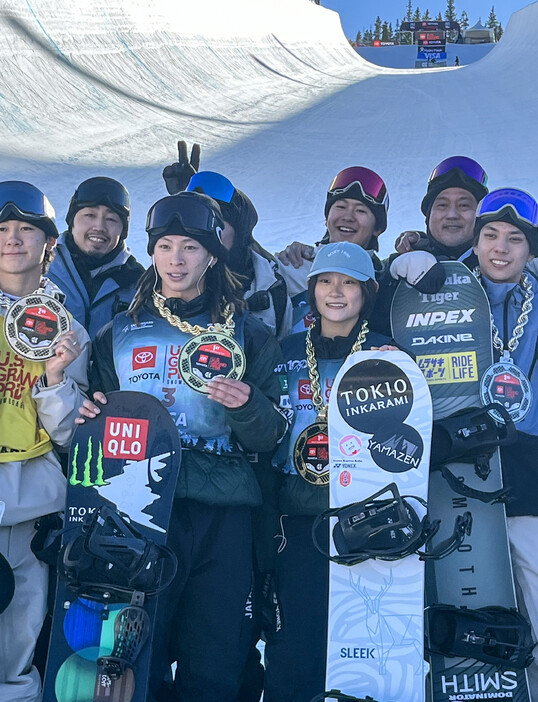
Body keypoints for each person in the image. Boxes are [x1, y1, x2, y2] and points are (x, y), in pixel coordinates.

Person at [78, 190, 290, 702]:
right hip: (142, 508)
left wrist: (247, 405)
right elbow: (97, 426)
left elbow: (273, 435)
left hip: (224, 511)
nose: (176, 259)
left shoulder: (249, 331)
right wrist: (91, 413)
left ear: (212, 255)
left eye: (190, 248)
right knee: (137, 651)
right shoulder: (117, 333)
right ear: (151, 253)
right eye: (165, 245)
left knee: (215, 656)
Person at [263, 242, 396, 702]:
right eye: (324, 281)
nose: (335, 292)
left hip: (366, 522)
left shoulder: (387, 353)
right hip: (298, 516)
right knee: (295, 641)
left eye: (348, 282)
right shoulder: (282, 351)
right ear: (313, 289)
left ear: (367, 292)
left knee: (364, 643)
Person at [0, 181, 90, 702]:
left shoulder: (64, 328)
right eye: (4, 229)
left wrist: (56, 377)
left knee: (16, 650)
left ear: (48, 244)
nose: (14, 239)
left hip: (29, 506)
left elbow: (68, 433)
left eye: (26, 229)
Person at [472, 187, 538, 697]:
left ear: (530, 250)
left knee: (532, 583)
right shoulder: (445, 294)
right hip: (458, 455)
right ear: (474, 243)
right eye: (490, 235)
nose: (501, 247)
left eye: (515, 239)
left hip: (528, 461)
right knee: (468, 587)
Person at [275, 166, 390, 331]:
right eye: (340, 207)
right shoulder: (293, 268)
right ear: (327, 218)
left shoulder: (384, 278)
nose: (348, 217)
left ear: (377, 229)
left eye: (360, 211)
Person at [185, 171, 293, 338]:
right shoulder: (168, 279)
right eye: (196, 223)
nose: (206, 233)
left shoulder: (271, 286)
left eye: (217, 223)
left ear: (239, 232)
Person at [47, 176, 144, 337]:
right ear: (72, 220)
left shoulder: (139, 282)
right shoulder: (41, 266)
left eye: (111, 219)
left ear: (123, 230)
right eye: (90, 215)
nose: (99, 227)